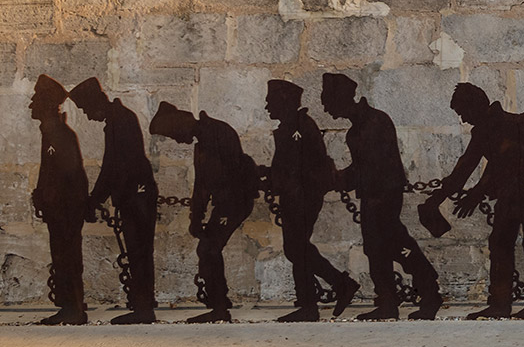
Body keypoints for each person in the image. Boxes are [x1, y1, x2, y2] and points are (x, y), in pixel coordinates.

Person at [420, 83, 524, 319]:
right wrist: (439, 198)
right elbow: (467, 167)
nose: (464, 119)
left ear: (475, 106)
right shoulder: (488, 128)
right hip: (514, 194)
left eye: (463, 112)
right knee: (502, 243)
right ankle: (503, 303)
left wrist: (475, 193)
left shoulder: (508, 124)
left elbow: (503, 163)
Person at [320, 73, 442, 321]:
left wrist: (340, 178)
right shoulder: (355, 132)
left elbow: (375, 166)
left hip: (384, 196)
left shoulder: (376, 121)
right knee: (375, 250)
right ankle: (387, 302)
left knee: (398, 245)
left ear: (341, 99)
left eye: (328, 101)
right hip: (371, 197)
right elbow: (361, 168)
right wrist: (338, 178)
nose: (325, 108)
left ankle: (429, 292)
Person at [149, 101, 259, 323]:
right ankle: (220, 301)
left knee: (209, 250)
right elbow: (202, 184)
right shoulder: (206, 137)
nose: (177, 140)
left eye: (173, 134)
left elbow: (209, 181)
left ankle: (219, 308)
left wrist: (200, 216)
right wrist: (196, 217)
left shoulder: (213, 133)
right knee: (208, 249)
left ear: (180, 124)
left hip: (233, 201)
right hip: (228, 202)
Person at [263, 80, 360, 322]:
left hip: (301, 196)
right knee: (297, 248)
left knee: (297, 248)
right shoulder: (292, 125)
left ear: (284, 101)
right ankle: (322, 295)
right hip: (296, 195)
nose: (267, 106)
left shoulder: (298, 126)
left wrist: (275, 181)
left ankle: (323, 295)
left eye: (271, 100)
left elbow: (295, 167)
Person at [69, 77, 158, 325]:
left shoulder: (119, 121)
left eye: (86, 110)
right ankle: (143, 306)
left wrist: (94, 199)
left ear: (96, 101)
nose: (88, 116)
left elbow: (113, 167)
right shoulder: (119, 120)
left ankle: (143, 309)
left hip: (136, 197)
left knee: (139, 253)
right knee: (139, 253)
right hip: (134, 196)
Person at [30, 74, 89, 325]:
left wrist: (50, 197)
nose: (30, 105)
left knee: (67, 257)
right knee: (63, 256)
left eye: (35, 101)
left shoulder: (59, 134)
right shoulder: (52, 132)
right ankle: (69, 306)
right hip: (60, 208)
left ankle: (73, 308)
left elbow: (69, 174)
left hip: (65, 209)